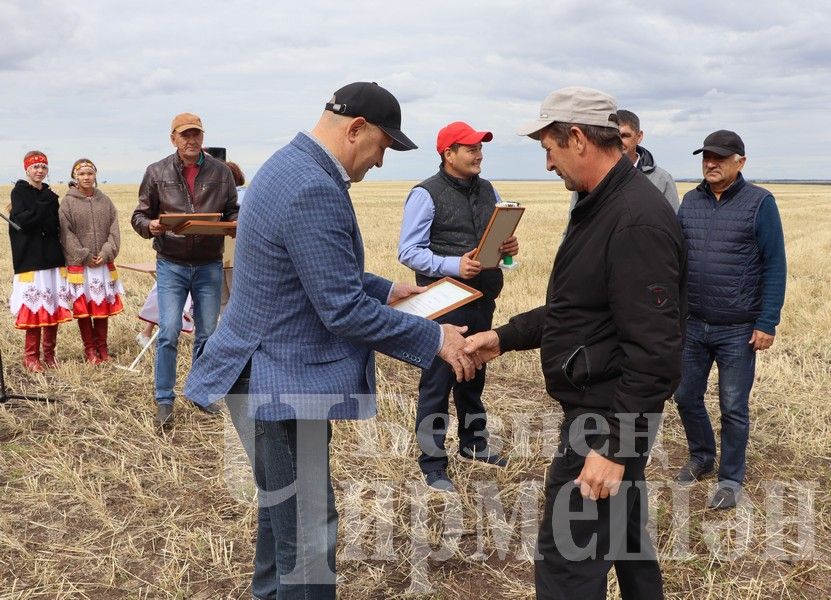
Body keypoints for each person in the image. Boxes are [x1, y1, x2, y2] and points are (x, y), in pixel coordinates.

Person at [183, 81, 476, 599]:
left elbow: (316, 271)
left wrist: (389, 290)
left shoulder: (287, 166)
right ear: (356, 129)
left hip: (264, 372)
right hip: (277, 381)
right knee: (310, 531)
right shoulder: (313, 187)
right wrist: (434, 338)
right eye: (384, 147)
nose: (381, 162)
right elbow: (340, 308)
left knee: (284, 521)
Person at [465, 87, 686, 600]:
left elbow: (656, 352)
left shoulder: (633, 221)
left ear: (580, 138)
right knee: (628, 543)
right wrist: (505, 336)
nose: (547, 164)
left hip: (605, 417)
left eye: (549, 148)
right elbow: (581, 311)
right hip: (612, 412)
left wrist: (614, 446)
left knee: (568, 562)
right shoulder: (603, 206)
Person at [398, 121, 518, 491]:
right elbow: (409, 252)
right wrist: (454, 265)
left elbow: (490, 241)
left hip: (483, 298)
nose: (478, 153)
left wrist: (507, 250)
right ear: (448, 154)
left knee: (474, 375)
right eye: (470, 148)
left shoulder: (488, 190)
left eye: (480, 147)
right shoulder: (425, 194)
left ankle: (474, 444)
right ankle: (432, 463)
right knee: (437, 383)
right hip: (444, 303)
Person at [673, 130, 786, 509]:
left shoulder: (760, 203)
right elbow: (676, 257)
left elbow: (775, 265)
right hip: (692, 323)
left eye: (719, 157)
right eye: (706, 156)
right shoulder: (690, 201)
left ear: (740, 161)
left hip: (738, 327)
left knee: (733, 405)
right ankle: (702, 456)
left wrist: (767, 321)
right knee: (686, 395)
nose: (710, 163)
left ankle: (731, 477)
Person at [131, 112, 239, 427]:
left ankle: (200, 393)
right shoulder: (156, 172)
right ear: (173, 138)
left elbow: (233, 209)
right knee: (167, 331)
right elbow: (139, 215)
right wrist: (150, 225)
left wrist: (232, 225)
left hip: (208, 264)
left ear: (202, 137)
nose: (192, 140)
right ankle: (164, 400)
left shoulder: (221, 172)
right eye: (185, 135)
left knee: (207, 333)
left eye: (196, 134)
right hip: (171, 264)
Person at [8, 150, 72, 372]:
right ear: (27, 169)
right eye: (35, 167)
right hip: (31, 261)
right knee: (34, 308)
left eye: (43, 167)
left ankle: (50, 354)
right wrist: (45, 201)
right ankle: (31, 357)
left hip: (53, 259)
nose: (40, 171)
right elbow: (24, 222)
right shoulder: (20, 193)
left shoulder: (50, 195)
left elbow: (55, 225)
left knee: (52, 306)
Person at [59, 158, 124, 364]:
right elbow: (65, 233)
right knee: (85, 309)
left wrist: (106, 252)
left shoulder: (105, 201)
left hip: (102, 263)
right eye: (82, 174)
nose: (86, 177)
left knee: (101, 306)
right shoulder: (68, 202)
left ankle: (102, 348)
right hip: (81, 264)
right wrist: (84, 255)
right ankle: (90, 350)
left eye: (90, 173)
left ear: (95, 175)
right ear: (75, 177)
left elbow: (114, 229)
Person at [568, 109, 678, 217]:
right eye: (614, 136)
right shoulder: (588, 178)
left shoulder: (662, 180)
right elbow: (572, 229)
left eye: (624, 136)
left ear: (639, 137)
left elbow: (673, 227)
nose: (618, 142)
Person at [220, 160, 246, 311]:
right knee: (229, 300)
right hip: (227, 255)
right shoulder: (246, 194)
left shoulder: (239, 195)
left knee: (226, 301)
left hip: (230, 254)